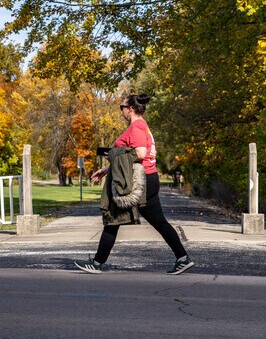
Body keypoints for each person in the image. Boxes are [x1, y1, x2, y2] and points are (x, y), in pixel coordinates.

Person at [74, 94, 195, 275]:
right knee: (158, 222)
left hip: (139, 183)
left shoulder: (137, 127)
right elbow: (130, 157)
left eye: (122, 107)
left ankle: (97, 263)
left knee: (113, 219)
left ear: (130, 109)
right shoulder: (142, 126)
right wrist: (107, 169)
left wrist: (115, 154)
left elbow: (140, 153)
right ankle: (182, 258)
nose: (121, 110)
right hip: (148, 179)